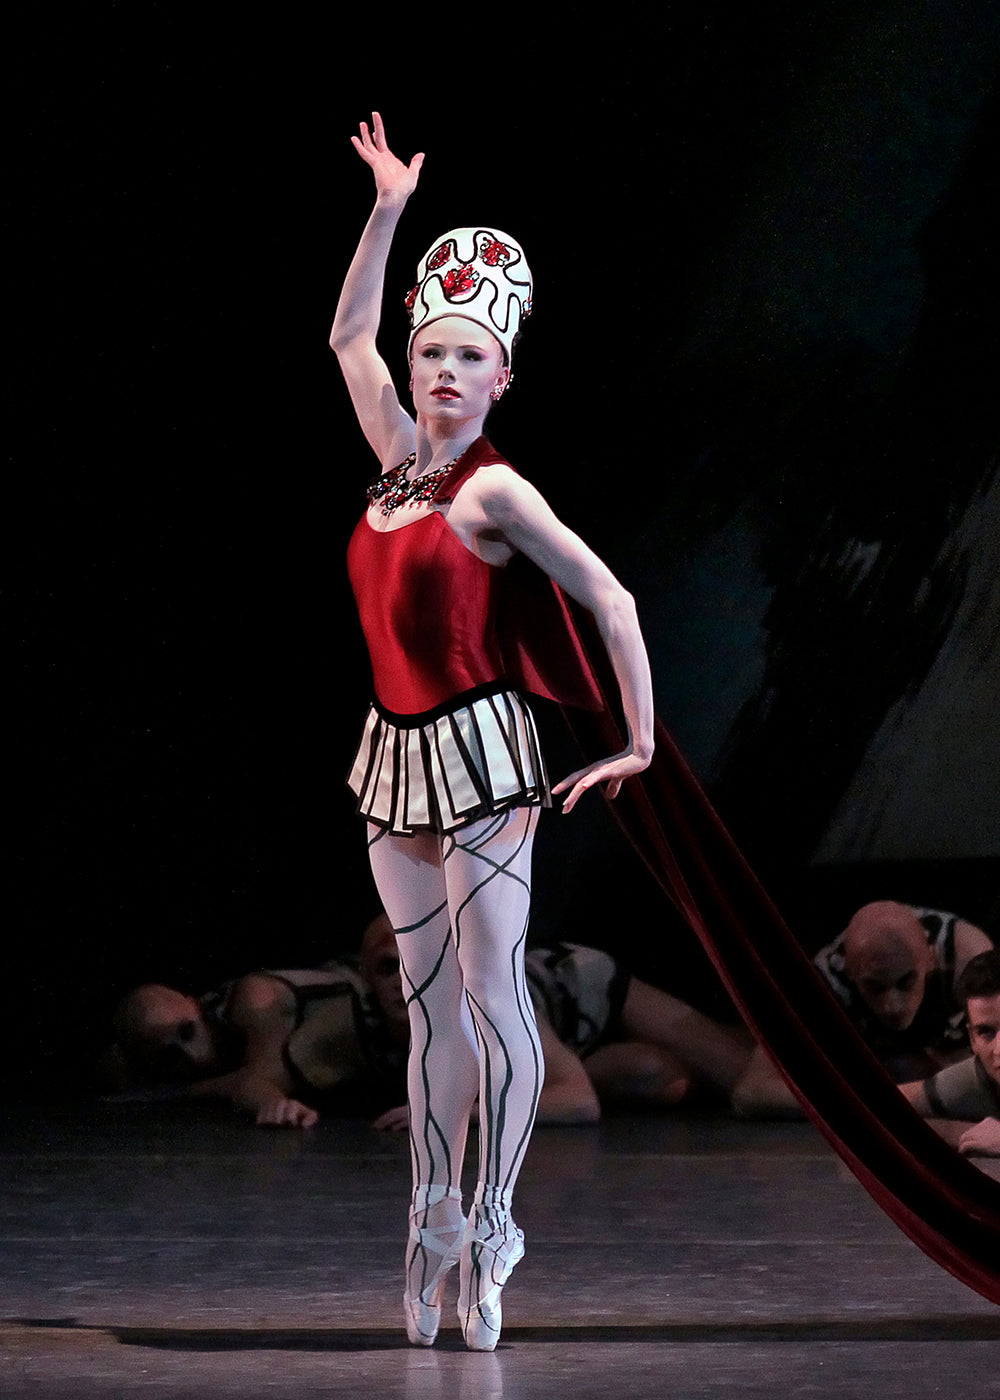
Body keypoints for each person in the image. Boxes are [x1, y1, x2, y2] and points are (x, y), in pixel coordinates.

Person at [329, 113, 655, 1350]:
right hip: (393, 756)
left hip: (480, 756)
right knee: (426, 1006)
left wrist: (636, 741)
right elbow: (346, 333)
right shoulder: (396, 464)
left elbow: (609, 597)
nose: (448, 371)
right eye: (436, 354)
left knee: (488, 987)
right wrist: (385, 208)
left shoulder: (492, 486)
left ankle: (495, 1218)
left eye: (473, 356)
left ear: (503, 375)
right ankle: (429, 1217)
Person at [107, 929, 409, 1127]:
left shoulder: (257, 1001)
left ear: (194, 1005)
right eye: (170, 1055)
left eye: (188, 1033)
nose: (192, 1055)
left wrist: (185, 1090)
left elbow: (256, 1083)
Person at [731, 901, 994, 1118]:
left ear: (929, 954)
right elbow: (751, 1092)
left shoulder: (966, 956)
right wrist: (867, 1098)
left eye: (906, 981)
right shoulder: (823, 981)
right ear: (849, 968)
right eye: (874, 987)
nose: (893, 1005)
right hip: (869, 1081)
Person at [899, 948, 1000, 1158]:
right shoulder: (974, 1077)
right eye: (986, 1032)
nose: (999, 1049)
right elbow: (870, 1105)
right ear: (972, 1038)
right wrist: (957, 1132)